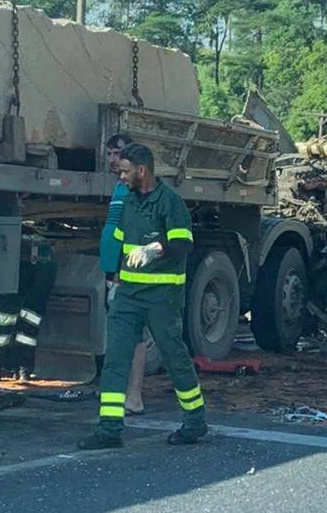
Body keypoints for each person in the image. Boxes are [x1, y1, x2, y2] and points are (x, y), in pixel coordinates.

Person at [78, 143, 207, 449]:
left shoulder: (170, 203)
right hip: (129, 296)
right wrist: (115, 281)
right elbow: (122, 247)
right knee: (115, 360)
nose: (120, 177)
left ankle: (195, 422)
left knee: (175, 358)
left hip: (163, 296)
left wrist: (155, 249)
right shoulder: (129, 204)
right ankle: (109, 429)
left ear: (141, 170)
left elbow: (184, 243)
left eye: (124, 171)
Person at [98, 133, 148, 415]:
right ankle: (119, 393)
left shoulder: (137, 188)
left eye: (116, 153)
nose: (112, 160)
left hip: (127, 273)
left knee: (133, 335)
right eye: (109, 154)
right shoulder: (120, 187)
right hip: (113, 270)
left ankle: (134, 396)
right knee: (119, 333)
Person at [0, 233, 58, 382]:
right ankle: (23, 369)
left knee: (3, 317)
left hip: (18, 259)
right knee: (31, 320)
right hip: (45, 258)